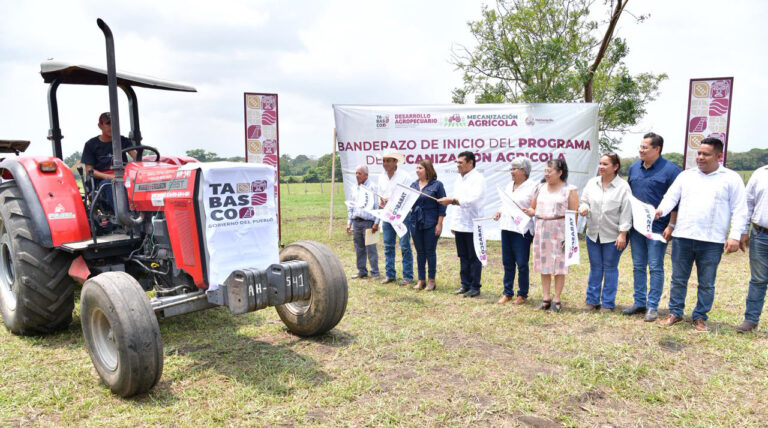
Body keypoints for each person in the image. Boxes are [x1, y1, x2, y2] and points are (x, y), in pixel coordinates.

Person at [656, 137, 749, 332]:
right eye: (698, 153)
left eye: (706, 154)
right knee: (678, 279)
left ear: (718, 156)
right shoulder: (686, 176)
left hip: (712, 240)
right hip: (683, 236)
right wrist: (661, 210)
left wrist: (734, 235)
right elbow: (671, 197)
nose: (700, 157)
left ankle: (700, 317)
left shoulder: (731, 178)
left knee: (706, 282)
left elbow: (740, 209)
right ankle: (675, 312)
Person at [623, 132, 680, 322]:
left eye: (645, 147)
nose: (641, 150)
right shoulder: (634, 168)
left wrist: (671, 225)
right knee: (638, 265)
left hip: (658, 228)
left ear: (657, 149)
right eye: (640, 147)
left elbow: (676, 201)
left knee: (655, 266)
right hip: (637, 227)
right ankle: (639, 302)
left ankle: (652, 306)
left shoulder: (671, 170)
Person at [578, 153, 632, 312]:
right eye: (600, 163)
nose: (601, 167)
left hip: (613, 236)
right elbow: (584, 201)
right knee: (595, 267)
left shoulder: (623, 187)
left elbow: (626, 212)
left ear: (615, 167)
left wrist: (623, 234)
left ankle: (608, 303)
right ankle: (592, 301)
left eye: (605, 164)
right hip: (593, 233)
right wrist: (584, 208)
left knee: (610, 268)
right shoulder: (592, 183)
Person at [523, 158, 579, 312]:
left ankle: (557, 299)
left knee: (559, 265)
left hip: (560, 229)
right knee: (544, 264)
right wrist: (529, 211)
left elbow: (573, 214)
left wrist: (570, 236)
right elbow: (533, 208)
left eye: (550, 171)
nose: (546, 174)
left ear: (560, 172)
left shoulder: (570, 190)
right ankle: (546, 298)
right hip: (542, 229)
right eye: (545, 171)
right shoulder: (539, 188)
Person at [438, 151, 486, 298]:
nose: (458, 165)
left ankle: (475, 286)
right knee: (463, 255)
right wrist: (454, 223)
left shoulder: (478, 178)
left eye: (461, 162)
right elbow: (456, 202)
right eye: (457, 162)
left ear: (470, 163)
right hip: (460, 224)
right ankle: (465, 284)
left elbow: (472, 200)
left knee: (474, 256)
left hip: (473, 223)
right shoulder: (459, 178)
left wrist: (452, 201)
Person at [493, 157, 536, 305]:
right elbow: (505, 204)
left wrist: (530, 211)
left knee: (522, 263)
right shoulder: (508, 185)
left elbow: (534, 207)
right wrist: (499, 212)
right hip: (506, 227)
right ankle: (507, 292)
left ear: (523, 170)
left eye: (514, 169)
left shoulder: (533, 187)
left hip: (522, 229)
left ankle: (522, 294)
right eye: (511, 168)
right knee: (507, 261)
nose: (511, 171)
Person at [81, 112, 136, 212]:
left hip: (124, 177)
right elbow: (89, 171)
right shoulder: (91, 145)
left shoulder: (123, 141)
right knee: (111, 184)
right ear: (100, 126)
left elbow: (136, 157)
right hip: (103, 181)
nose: (112, 127)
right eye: (108, 123)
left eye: (114, 124)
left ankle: (149, 213)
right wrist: (110, 177)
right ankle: (124, 215)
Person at [735, 164, 768, 332]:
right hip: (761, 234)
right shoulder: (760, 173)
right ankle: (751, 319)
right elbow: (747, 203)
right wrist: (743, 230)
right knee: (758, 279)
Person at [377, 150, 414, 285]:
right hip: (387, 215)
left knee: (405, 245)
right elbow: (380, 194)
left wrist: (392, 200)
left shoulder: (405, 176)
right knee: (388, 246)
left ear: (395, 162)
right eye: (384, 161)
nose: (385, 163)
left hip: (402, 215)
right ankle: (390, 275)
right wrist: (381, 202)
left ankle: (408, 276)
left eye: (388, 161)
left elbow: (408, 196)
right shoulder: (381, 177)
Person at [408, 159, 446, 291]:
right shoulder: (413, 185)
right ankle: (421, 280)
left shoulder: (437, 185)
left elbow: (442, 207)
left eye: (420, 168)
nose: (417, 170)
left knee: (430, 251)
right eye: (417, 168)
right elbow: (406, 201)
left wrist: (439, 224)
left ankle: (431, 280)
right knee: (420, 252)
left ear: (428, 169)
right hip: (415, 222)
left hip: (431, 222)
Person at [346, 165, 380, 279]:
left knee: (371, 248)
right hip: (357, 221)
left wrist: (376, 222)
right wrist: (349, 222)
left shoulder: (372, 187)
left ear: (366, 175)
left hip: (368, 222)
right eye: (356, 173)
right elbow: (351, 206)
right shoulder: (355, 188)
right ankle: (361, 271)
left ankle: (375, 272)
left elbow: (377, 206)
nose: (357, 175)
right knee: (359, 248)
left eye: (359, 173)